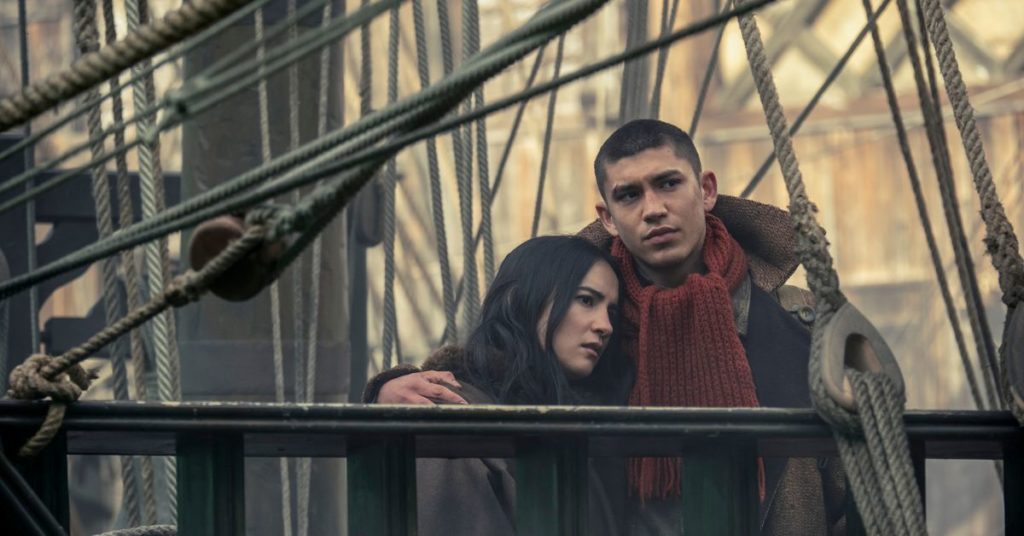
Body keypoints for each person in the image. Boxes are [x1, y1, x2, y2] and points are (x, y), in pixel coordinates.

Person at [368, 119, 846, 535]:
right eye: (629, 194)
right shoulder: (586, 330)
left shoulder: (800, 320)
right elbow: (501, 367)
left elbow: (860, 486)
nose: (653, 208)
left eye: (668, 183)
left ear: (705, 190)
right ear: (608, 217)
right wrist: (391, 388)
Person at [380, 235, 632, 536]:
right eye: (586, 300)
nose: (605, 326)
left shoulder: (579, 426)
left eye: (611, 312)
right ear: (520, 299)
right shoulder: (454, 415)